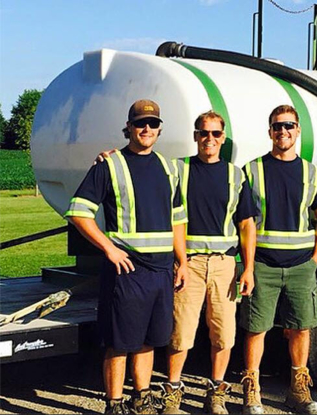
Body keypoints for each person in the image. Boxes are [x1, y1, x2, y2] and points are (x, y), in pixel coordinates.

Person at [65, 99, 188, 415]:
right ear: (129, 127)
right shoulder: (109, 165)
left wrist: (182, 261)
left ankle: (142, 398)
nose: (146, 129)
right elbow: (79, 213)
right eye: (139, 123)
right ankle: (114, 403)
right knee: (119, 341)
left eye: (152, 124)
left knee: (149, 340)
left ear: (160, 129)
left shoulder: (169, 168)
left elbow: (178, 219)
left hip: (161, 270)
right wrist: (109, 248)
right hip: (127, 271)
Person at [159, 110, 257, 414]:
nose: (209, 139)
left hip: (225, 265)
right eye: (203, 133)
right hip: (188, 264)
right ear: (195, 136)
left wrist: (248, 268)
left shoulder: (235, 175)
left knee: (223, 333)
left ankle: (216, 392)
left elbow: (246, 225)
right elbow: (144, 169)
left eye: (215, 134)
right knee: (181, 333)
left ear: (223, 138)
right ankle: (173, 391)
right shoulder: (179, 170)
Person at [239, 105, 317, 415]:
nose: (283, 132)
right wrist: (249, 266)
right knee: (256, 329)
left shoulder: (312, 173)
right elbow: (245, 223)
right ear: (270, 132)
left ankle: (298, 390)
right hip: (263, 266)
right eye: (277, 127)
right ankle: (252, 391)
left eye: (289, 126)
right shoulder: (252, 171)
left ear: (298, 131)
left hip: (301, 267)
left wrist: (314, 261)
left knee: (301, 328)